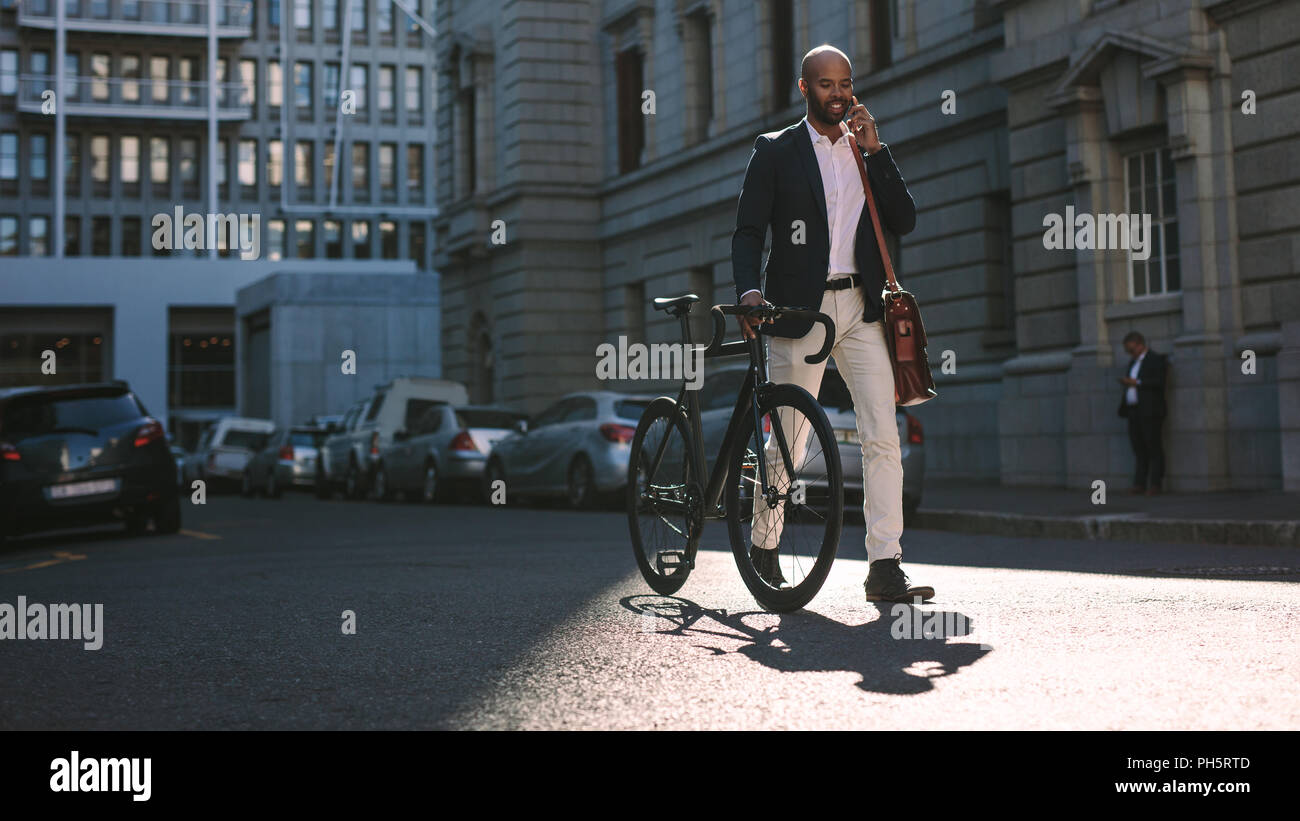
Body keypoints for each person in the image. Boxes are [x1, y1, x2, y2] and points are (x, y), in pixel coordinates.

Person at [730, 44, 932, 604]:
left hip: (862, 309)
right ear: (804, 88)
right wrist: (750, 292)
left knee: (882, 436)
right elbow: (749, 233)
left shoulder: (865, 150)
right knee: (789, 440)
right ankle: (765, 545)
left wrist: (878, 152)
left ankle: (885, 565)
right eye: (825, 85)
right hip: (799, 311)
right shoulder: (776, 152)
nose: (838, 94)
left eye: (845, 83)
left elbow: (905, 220)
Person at [1116, 331, 1169, 495]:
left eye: (1131, 350)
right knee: (1138, 448)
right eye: (1127, 351)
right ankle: (1139, 483)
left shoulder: (1156, 360)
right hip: (1134, 411)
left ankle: (1155, 484)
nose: (1130, 354)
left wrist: (1136, 382)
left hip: (1150, 411)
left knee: (1153, 447)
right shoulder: (1133, 363)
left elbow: (1159, 382)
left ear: (1140, 345)